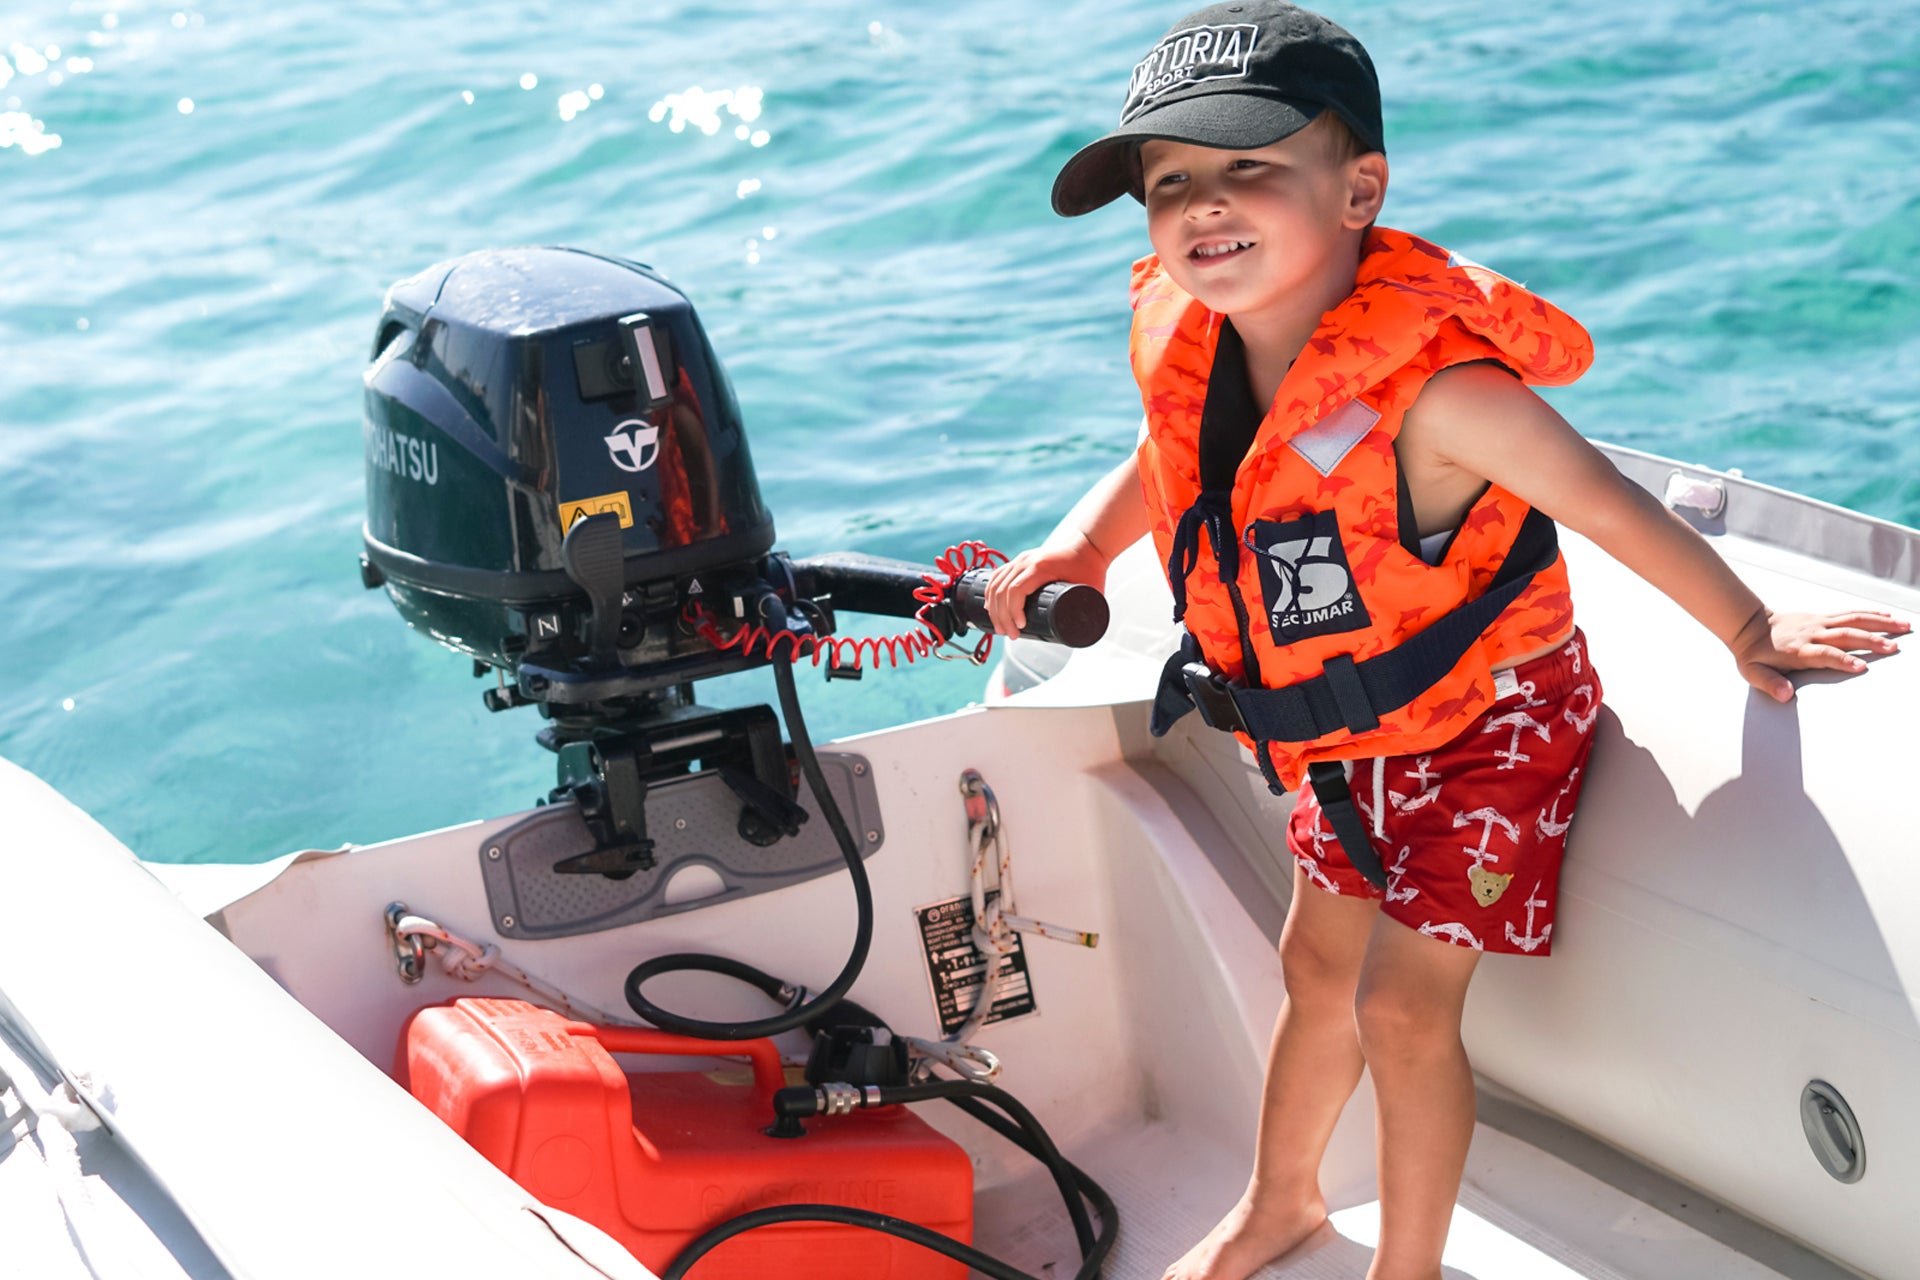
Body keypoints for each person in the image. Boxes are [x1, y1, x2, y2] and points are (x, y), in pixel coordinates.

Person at [982, 4, 1910, 1279]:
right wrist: (1084, 550)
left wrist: (1749, 626)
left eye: (1250, 165)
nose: (1205, 203)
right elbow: (1175, 466)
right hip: (1340, 736)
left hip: (1488, 727)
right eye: (1172, 181)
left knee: (1399, 1011)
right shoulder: (1206, 353)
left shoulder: (1441, 393)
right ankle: (1281, 1201)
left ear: (1359, 186)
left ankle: (1405, 1270)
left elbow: (1606, 506)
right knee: (1313, 967)